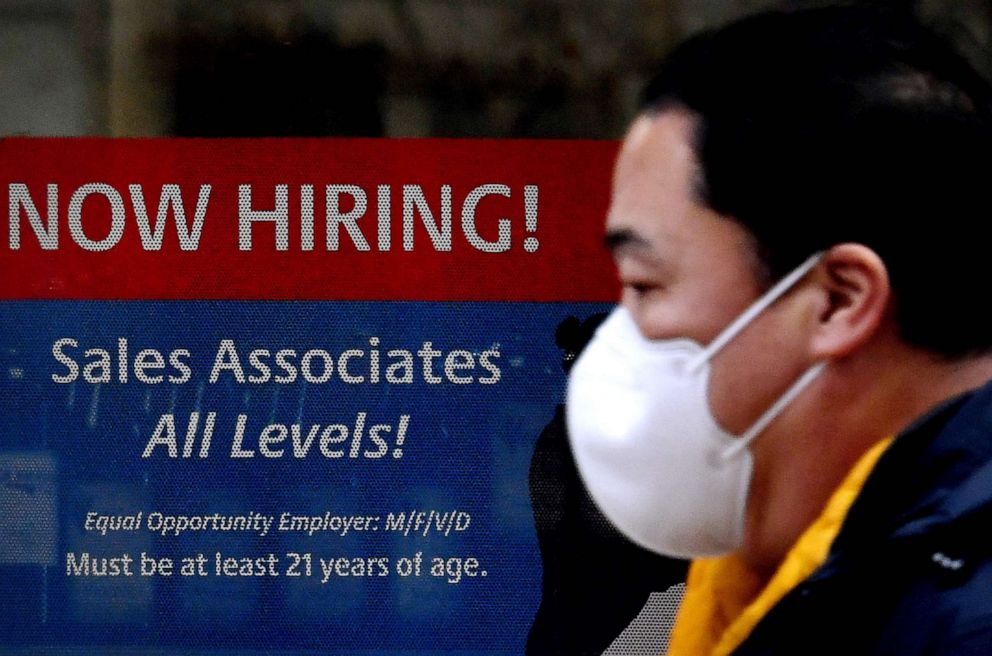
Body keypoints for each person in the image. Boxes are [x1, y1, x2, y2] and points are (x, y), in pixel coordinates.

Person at [565, 5, 992, 655]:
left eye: (645, 283)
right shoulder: (775, 597)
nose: (621, 334)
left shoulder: (959, 624)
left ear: (836, 302)